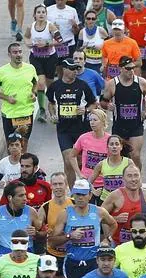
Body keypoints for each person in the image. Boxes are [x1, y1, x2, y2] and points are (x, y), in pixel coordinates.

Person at [49, 179, 117, 278]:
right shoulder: (65, 214)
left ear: (90, 195)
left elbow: (113, 224)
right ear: (73, 195)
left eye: (83, 194)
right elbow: (52, 242)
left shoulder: (100, 212)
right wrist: (69, 236)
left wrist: (107, 239)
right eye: (77, 194)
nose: (80, 198)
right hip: (73, 262)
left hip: (93, 262)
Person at [46, 58, 97, 187]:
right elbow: (51, 104)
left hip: (82, 129)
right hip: (64, 130)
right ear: (64, 69)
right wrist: (52, 115)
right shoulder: (54, 87)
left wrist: (85, 110)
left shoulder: (83, 85)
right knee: (69, 161)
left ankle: (84, 185)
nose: (75, 71)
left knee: (80, 161)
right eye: (72, 69)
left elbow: (93, 104)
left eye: (76, 69)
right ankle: (73, 191)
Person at [100, 56, 146, 171]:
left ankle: (137, 178)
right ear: (121, 69)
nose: (131, 71)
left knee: (135, 155)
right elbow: (103, 101)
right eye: (128, 68)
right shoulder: (112, 84)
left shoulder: (141, 82)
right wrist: (108, 106)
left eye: (132, 68)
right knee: (120, 156)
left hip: (136, 126)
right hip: (119, 126)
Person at [23, 4, 61, 124]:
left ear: (46, 14)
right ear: (34, 15)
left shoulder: (50, 26)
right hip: (36, 57)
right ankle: (42, 110)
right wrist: (28, 43)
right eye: (38, 12)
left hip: (50, 58)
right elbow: (26, 37)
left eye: (43, 12)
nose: (41, 14)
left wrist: (47, 43)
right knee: (40, 83)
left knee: (49, 85)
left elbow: (60, 40)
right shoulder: (31, 26)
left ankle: (52, 106)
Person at [102, 163, 146, 245]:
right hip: (119, 245)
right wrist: (115, 219)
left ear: (140, 177)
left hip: (141, 243)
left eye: (136, 175)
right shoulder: (115, 196)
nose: (133, 179)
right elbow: (99, 217)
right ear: (123, 179)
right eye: (129, 176)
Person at [0, 181, 44, 256]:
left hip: (25, 255)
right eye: (21, 196)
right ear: (10, 197)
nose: (25, 198)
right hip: (3, 255)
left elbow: (43, 234)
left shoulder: (31, 212)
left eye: (25, 195)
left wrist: (36, 233)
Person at [39, 172, 73, 278]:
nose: (58, 187)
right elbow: (38, 230)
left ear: (66, 185)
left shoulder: (75, 204)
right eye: (55, 184)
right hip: (54, 253)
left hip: (72, 253)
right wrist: (45, 232)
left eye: (60, 184)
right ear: (51, 186)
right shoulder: (45, 207)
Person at [70, 109, 111, 196]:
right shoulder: (83, 138)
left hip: (104, 183)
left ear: (103, 122)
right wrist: (79, 174)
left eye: (95, 120)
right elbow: (72, 156)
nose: (92, 123)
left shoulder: (110, 140)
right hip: (87, 183)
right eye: (90, 120)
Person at [87, 135, 134, 204]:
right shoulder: (101, 164)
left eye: (117, 144)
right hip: (106, 201)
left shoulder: (128, 162)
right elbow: (88, 182)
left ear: (121, 147)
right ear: (107, 147)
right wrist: (94, 191)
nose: (114, 147)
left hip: (124, 200)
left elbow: (136, 180)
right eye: (111, 144)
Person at [46, 0, 80, 66]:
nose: (60, 1)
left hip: (68, 44)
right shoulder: (48, 10)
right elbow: (43, 28)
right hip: (54, 45)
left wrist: (75, 26)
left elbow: (76, 32)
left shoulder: (72, 10)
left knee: (68, 69)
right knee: (56, 68)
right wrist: (52, 28)